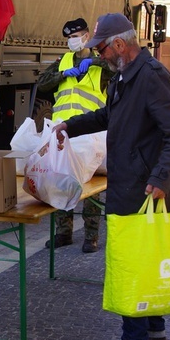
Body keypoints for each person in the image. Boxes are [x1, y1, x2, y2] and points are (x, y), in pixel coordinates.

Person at [52, 13, 170, 340]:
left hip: (144, 187)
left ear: (119, 44)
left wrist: (161, 179)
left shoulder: (151, 77)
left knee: (131, 264)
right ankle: (154, 335)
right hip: (133, 183)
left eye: (101, 48)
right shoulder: (124, 77)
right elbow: (107, 117)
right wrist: (71, 124)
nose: (98, 55)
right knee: (144, 262)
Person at [36, 17, 114, 253]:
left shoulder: (99, 65)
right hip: (63, 132)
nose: (73, 41)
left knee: (90, 186)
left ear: (87, 36)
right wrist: (63, 74)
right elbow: (41, 84)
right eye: (69, 38)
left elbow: (116, 67)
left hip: (90, 134)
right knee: (62, 182)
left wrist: (93, 62)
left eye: (76, 36)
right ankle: (63, 232)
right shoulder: (63, 62)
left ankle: (91, 236)